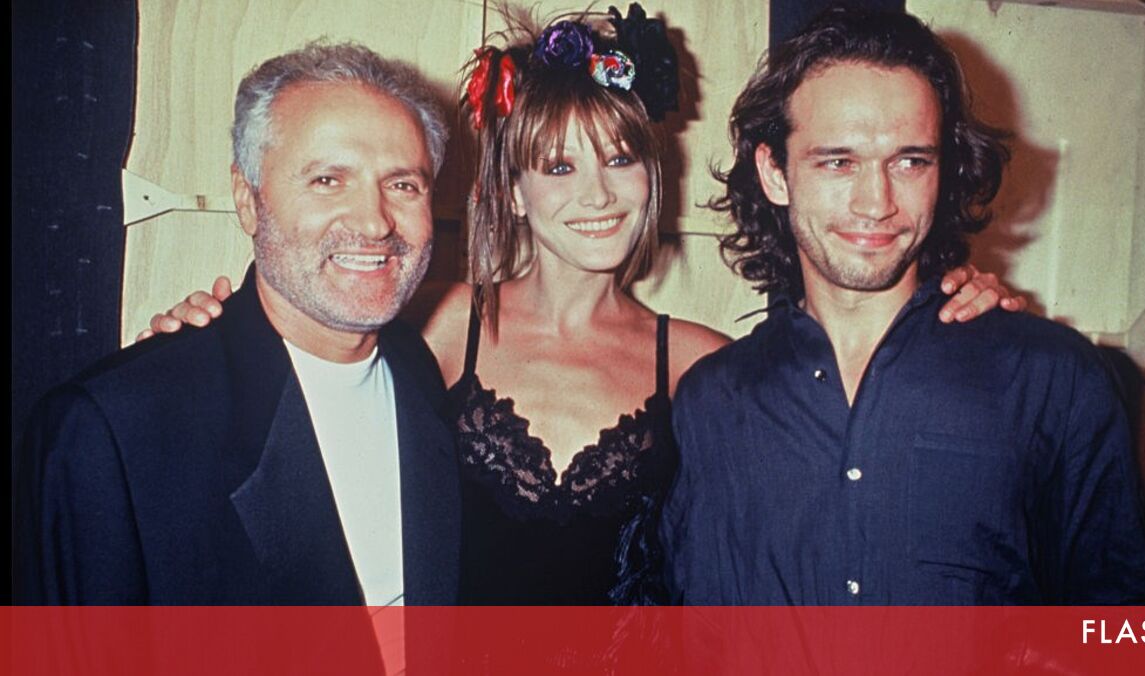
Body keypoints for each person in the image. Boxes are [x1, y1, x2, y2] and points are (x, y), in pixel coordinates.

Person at [140, 6, 1021, 605]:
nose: (597, 195)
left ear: (652, 175)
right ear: (513, 191)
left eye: (621, 160)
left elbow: (844, 449)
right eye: (559, 166)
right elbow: (296, 374)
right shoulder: (433, 327)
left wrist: (959, 310)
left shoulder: (706, 365)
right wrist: (212, 333)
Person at [661, 7, 1145, 604]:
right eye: (838, 162)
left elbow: (1138, 632)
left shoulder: (1053, 379)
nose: (877, 203)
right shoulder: (711, 402)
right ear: (774, 173)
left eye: (909, 161)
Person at [14, 41, 460, 607]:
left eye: (403, 184)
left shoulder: (418, 372)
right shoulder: (109, 430)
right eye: (327, 180)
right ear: (248, 200)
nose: (375, 223)